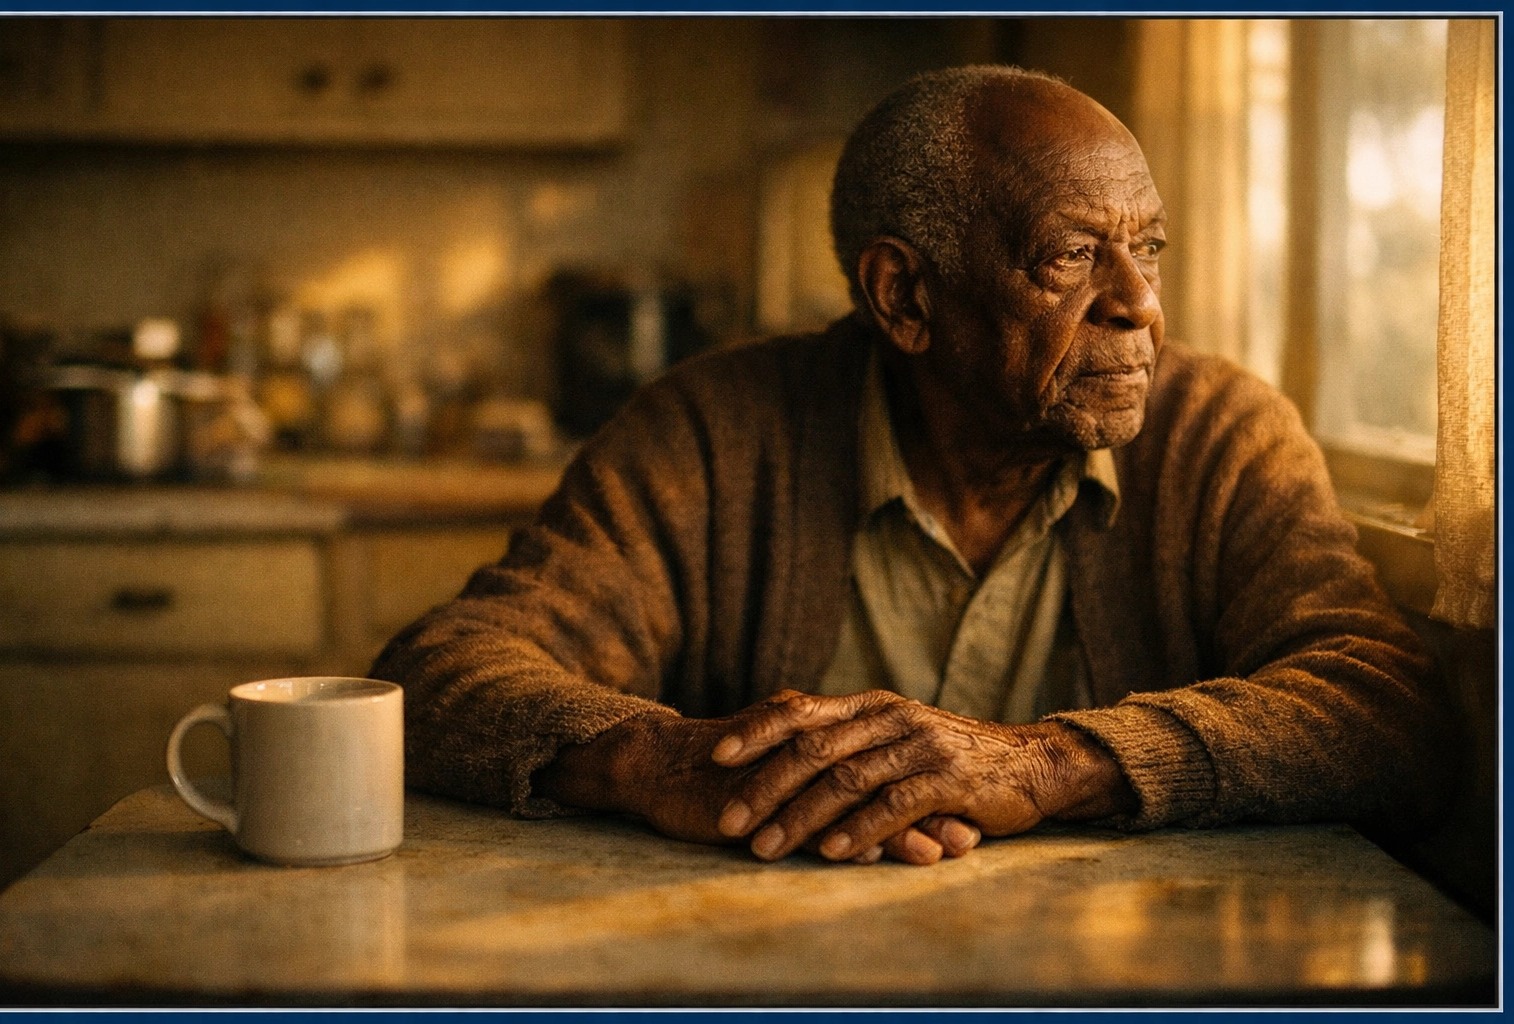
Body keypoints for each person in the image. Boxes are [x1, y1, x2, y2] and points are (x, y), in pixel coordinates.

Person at [371, 65, 1451, 867]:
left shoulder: (1221, 435)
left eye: (1149, 247)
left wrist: (1037, 763)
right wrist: (663, 759)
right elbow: (441, 672)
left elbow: (1382, 710)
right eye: (1074, 255)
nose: (1141, 305)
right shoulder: (715, 431)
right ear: (905, 298)